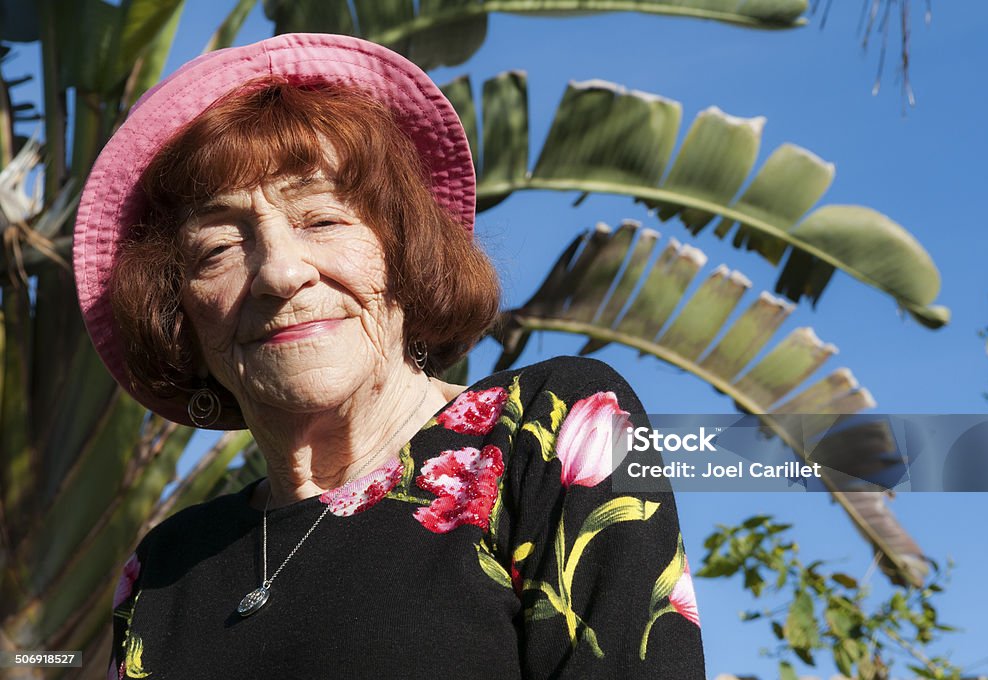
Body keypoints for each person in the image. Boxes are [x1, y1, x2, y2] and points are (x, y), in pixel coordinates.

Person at [74, 33, 704, 679]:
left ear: (405, 256)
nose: (281, 273)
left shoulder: (549, 426)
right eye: (217, 250)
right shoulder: (166, 564)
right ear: (179, 316)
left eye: (323, 220)